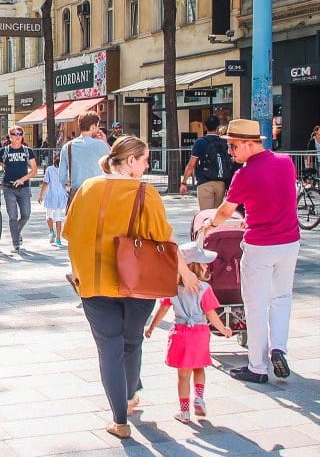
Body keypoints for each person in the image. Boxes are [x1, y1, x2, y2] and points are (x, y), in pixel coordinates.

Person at [63, 136, 200, 439]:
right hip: (138, 283)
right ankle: (130, 394)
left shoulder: (87, 188)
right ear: (129, 162)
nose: (148, 165)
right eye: (145, 159)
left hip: (94, 283)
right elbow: (164, 239)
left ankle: (119, 419)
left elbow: (70, 233)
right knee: (131, 341)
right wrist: (185, 272)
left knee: (108, 348)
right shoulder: (144, 193)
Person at [203, 119, 301, 384]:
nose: (230, 152)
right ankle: (278, 348)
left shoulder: (244, 174)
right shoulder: (286, 163)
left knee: (255, 304)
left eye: (233, 146)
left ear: (250, 144)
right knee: (281, 298)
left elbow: (225, 211)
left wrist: (209, 226)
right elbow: (279, 198)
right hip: (290, 243)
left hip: (260, 245)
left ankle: (257, 367)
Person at [145, 243, 233, 423]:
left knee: (183, 375)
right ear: (193, 266)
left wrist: (152, 327)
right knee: (199, 367)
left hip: (180, 333)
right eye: (204, 263)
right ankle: (199, 398)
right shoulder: (204, 288)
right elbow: (210, 313)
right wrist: (223, 329)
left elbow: (162, 310)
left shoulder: (171, 288)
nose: (207, 266)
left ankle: (184, 411)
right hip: (200, 333)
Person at [0, 126, 38, 253]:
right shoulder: (4, 151)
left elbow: (34, 170)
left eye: (20, 134)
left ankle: (16, 231)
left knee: (26, 214)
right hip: (8, 187)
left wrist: (23, 179)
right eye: (14, 134)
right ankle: (16, 244)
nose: (18, 136)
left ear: (22, 135)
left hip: (23, 188)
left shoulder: (27, 151)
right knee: (13, 216)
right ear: (10, 136)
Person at [180, 116, 232, 210]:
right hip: (221, 183)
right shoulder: (224, 142)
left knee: (206, 215)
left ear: (205, 127)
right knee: (216, 216)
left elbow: (191, 165)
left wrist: (184, 182)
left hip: (204, 182)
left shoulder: (200, 142)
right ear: (218, 127)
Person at [60, 112, 111, 206]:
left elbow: (61, 177)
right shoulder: (101, 145)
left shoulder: (67, 147)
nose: (98, 129)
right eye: (98, 126)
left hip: (77, 195)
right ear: (93, 127)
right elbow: (115, 162)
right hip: (97, 193)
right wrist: (106, 142)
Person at [37, 153, 67, 248]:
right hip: (61, 196)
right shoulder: (65, 170)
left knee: (48, 215)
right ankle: (58, 238)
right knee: (58, 217)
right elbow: (68, 182)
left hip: (51, 195)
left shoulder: (49, 169)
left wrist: (41, 195)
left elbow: (45, 183)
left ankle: (51, 231)